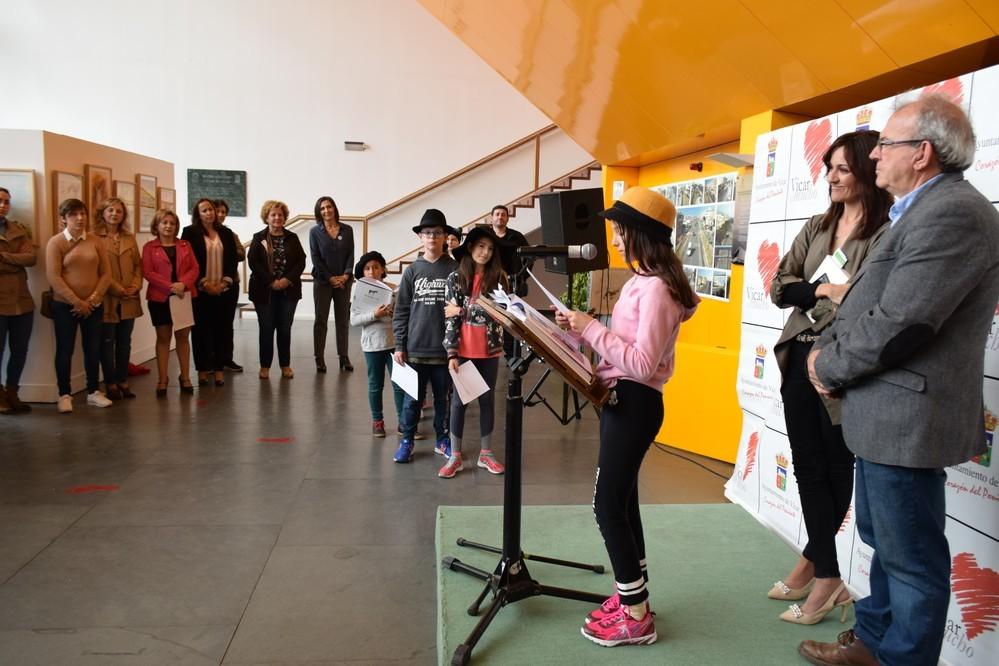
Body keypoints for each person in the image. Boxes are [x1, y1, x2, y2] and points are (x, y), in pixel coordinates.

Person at [800, 95, 999, 666]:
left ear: (922, 153)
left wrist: (828, 365)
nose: (875, 155)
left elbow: (901, 323)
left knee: (911, 560)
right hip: (886, 418)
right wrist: (825, 354)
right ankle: (874, 644)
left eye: (885, 144)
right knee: (888, 545)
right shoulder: (920, 210)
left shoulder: (952, 214)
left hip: (906, 420)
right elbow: (872, 305)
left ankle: (898, 657)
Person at [555, 187, 698, 647]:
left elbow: (640, 363)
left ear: (640, 234)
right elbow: (624, 350)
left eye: (619, 231)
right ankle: (631, 595)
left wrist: (591, 328)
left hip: (634, 405)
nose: (614, 239)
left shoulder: (656, 288)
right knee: (622, 502)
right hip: (622, 402)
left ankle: (635, 615)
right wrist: (582, 332)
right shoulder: (643, 281)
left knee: (606, 506)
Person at [768, 130, 891, 625]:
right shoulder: (818, 226)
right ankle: (820, 564)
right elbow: (780, 284)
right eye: (830, 167)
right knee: (807, 467)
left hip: (844, 364)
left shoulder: (884, 233)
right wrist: (822, 289)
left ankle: (824, 577)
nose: (833, 176)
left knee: (836, 469)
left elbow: (866, 303)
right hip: (798, 359)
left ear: (866, 169)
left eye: (843, 167)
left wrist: (823, 295)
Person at [439, 226, 507, 478]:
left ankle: (486, 454)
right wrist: (452, 353)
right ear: (470, 248)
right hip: (464, 350)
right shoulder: (456, 278)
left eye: (490, 248)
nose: (485, 252)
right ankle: (455, 455)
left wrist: (463, 310)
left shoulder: (500, 278)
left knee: (487, 400)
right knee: (459, 402)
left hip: (490, 350)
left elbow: (501, 314)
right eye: (480, 246)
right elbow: (449, 319)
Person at [392, 208, 457, 463]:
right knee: (411, 401)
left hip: (443, 350)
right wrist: (400, 344)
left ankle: (443, 439)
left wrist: (456, 348)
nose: (432, 237)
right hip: (415, 349)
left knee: (443, 400)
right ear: (420, 237)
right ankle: (407, 440)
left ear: (444, 237)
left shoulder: (453, 268)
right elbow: (402, 310)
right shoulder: (412, 271)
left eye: (437, 233)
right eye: (427, 233)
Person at [45, 198, 112, 412]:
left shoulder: (95, 241)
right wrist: (76, 302)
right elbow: (54, 277)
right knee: (65, 349)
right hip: (65, 306)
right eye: (74, 215)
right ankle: (64, 394)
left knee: (92, 348)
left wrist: (92, 300)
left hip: (93, 305)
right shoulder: (56, 243)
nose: (80, 218)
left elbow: (106, 274)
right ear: (64, 218)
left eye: (83, 214)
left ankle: (93, 391)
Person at [182, 198, 239, 387]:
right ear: (198, 214)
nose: (209, 213)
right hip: (201, 291)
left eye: (211, 210)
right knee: (200, 331)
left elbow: (232, 260)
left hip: (223, 291)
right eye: (204, 210)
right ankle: (203, 370)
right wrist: (205, 284)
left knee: (221, 330)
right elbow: (187, 261)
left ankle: (219, 369)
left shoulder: (226, 233)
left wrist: (223, 284)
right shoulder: (190, 233)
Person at [142, 209, 198, 396]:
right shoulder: (150, 247)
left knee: (183, 338)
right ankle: (163, 379)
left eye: (172, 223)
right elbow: (148, 272)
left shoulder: (185, 245)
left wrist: (183, 284)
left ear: (176, 226)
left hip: (183, 296)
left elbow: (194, 268)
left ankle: (185, 377)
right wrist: (170, 286)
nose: (168, 226)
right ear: (156, 226)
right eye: (164, 222)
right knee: (163, 338)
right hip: (160, 298)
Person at [350, 251, 406, 437]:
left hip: (394, 343)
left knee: (399, 384)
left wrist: (393, 314)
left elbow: (404, 316)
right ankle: (377, 421)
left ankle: (403, 422)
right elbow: (354, 321)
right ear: (363, 272)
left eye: (375, 267)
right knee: (375, 384)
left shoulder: (394, 290)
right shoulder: (359, 292)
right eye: (367, 268)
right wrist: (375, 314)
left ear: (383, 269)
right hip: (372, 345)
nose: (372, 271)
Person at [248, 200, 306, 379]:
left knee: (284, 328)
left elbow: (300, 261)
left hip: (288, 291)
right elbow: (254, 262)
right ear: (266, 217)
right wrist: (272, 281)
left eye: (280, 214)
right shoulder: (259, 238)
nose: (277, 217)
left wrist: (286, 280)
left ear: (285, 217)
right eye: (273, 214)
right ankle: (265, 366)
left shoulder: (292, 238)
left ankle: (285, 365)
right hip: (264, 290)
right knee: (266, 328)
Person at [93, 197, 143, 401]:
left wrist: (136, 285)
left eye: (119, 211)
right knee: (107, 342)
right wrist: (117, 289)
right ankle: (111, 383)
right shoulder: (94, 238)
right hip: (108, 297)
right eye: (111, 210)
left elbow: (138, 266)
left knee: (125, 342)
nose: (115, 214)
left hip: (129, 298)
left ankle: (123, 380)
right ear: (103, 213)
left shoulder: (129, 238)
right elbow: (96, 269)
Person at [0, 187, 37, 413]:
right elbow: (22, 259)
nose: (3, 205)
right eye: (0, 201)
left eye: (6, 201)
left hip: (22, 301)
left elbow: (31, 258)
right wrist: (16, 261)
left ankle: (12, 391)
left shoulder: (18, 230)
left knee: (20, 349)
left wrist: (4, 257)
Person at [309, 196, 355, 373]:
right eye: (322, 209)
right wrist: (330, 278)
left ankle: (343, 356)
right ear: (319, 212)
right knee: (321, 320)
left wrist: (345, 275)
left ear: (334, 208)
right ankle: (319, 358)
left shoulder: (347, 229)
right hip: (323, 282)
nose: (326, 211)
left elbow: (351, 254)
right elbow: (316, 258)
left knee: (343, 320)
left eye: (329, 207)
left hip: (344, 282)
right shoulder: (315, 232)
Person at [489, 204, 529, 356]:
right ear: (491, 217)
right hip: (489, 286)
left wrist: (521, 276)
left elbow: (530, 258)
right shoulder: (486, 235)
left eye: (503, 214)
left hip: (512, 286)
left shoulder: (517, 237)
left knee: (511, 321)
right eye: (497, 214)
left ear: (508, 218)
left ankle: (513, 357)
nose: (500, 217)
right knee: (489, 319)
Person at [215, 199, 244, 373]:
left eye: (223, 212)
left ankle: (227, 358)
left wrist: (226, 251)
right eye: (217, 211)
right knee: (210, 324)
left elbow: (241, 253)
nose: (220, 215)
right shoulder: (199, 234)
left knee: (227, 323)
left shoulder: (230, 234)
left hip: (231, 283)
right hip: (209, 285)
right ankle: (211, 360)